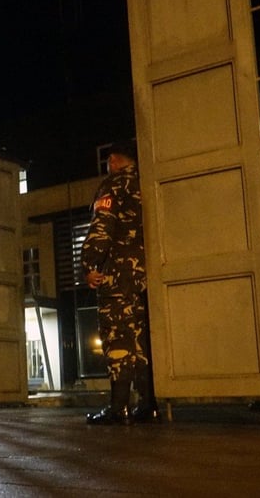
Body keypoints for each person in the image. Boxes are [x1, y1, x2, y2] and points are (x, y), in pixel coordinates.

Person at [80, 142, 160, 425]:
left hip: (118, 275)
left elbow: (102, 227)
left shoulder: (112, 186)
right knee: (142, 340)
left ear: (113, 160)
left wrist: (89, 264)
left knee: (118, 339)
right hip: (148, 275)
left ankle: (118, 406)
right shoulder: (148, 183)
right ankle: (149, 404)